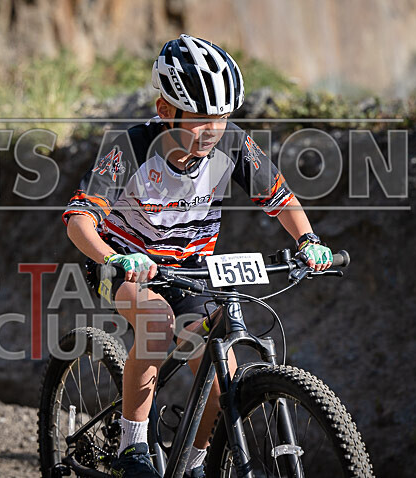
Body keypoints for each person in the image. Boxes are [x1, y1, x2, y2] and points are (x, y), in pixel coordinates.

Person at [63, 34, 333, 477]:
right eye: (201, 119)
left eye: (222, 118)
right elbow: (79, 220)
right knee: (154, 324)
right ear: (166, 110)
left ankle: (193, 461)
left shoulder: (231, 145)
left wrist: (308, 241)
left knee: (220, 369)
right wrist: (114, 257)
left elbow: (282, 198)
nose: (213, 130)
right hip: (120, 263)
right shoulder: (129, 148)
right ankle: (132, 448)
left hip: (188, 271)